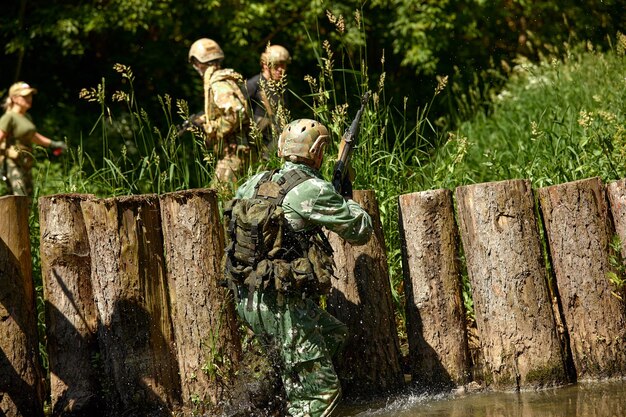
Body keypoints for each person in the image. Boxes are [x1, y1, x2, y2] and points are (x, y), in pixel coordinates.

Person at [222, 119, 373, 417]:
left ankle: (285, 397)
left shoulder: (252, 182)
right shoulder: (313, 189)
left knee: (332, 335)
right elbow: (361, 230)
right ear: (317, 151)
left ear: (280, 147)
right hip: (282, 305)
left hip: (247, 297)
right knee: (321, 398)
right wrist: (344, 197)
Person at [188, 38, 250, 184]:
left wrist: (211, 128)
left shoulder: (217, 83)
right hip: (233, 151)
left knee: (220, 199)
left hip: (234, 152)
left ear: (198, 62)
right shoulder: (222, 79)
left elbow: (236, 113)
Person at [0, 82, 67, 196]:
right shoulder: (9, 117)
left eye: (30, 96)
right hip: (12, 163)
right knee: (19, 196)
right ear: (14, 98)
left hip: (26, 162)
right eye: (25, 96)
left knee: (28, 199)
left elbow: (33, 136)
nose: (29, 98)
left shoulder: (26, 117)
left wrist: (53, 144)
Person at [245, 44, 291, 160]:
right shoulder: (253, 84)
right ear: (265, 65)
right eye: (276, 66)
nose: (280, 70)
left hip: (276, 147)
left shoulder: (281, 87)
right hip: (255, 148)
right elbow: (237, 113)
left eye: (283, 65)